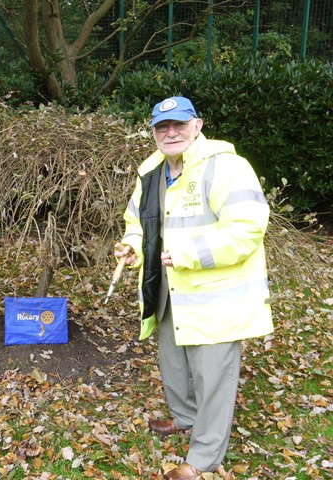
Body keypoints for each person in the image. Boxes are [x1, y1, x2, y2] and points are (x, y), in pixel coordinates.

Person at [114, 96, 274, 479]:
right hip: (168, 290)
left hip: (216, 299)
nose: (170, 133)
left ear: (197, 126)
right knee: (174, 364)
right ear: (153, 132)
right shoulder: (151, 170)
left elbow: (247, 229)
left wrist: (184, 252)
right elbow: (138, 223)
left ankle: (202, 459)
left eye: (178, 125)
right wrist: (131, 247)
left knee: (212, 379)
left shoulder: (227, 168)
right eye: (161, 127)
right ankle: (185, 418)